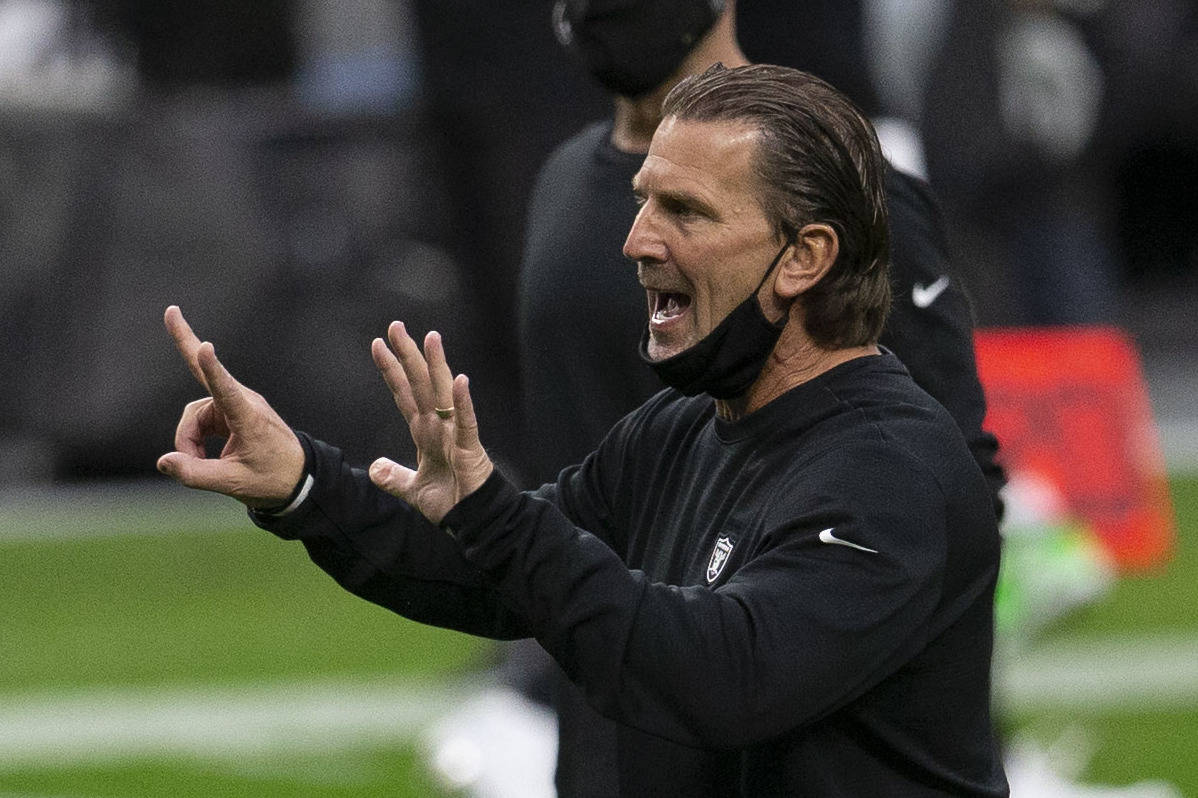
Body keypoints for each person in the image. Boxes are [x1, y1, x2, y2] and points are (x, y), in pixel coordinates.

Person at [158, 63, 1008, 796]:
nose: (637, 240)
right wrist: (303, 482)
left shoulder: (891, 472)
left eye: (685, 211)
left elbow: (724, 679)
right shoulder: (681, 428)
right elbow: (493, 574)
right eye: (643, 203)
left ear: (805, 257)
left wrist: (493, 514)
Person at [514, 7, 1005, 791]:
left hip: (778, 701)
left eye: (684, 212)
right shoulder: (564, 180)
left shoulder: (848, 188)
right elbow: (572, 480)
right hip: (611, 706)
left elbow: (951, 484)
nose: (643, 240)